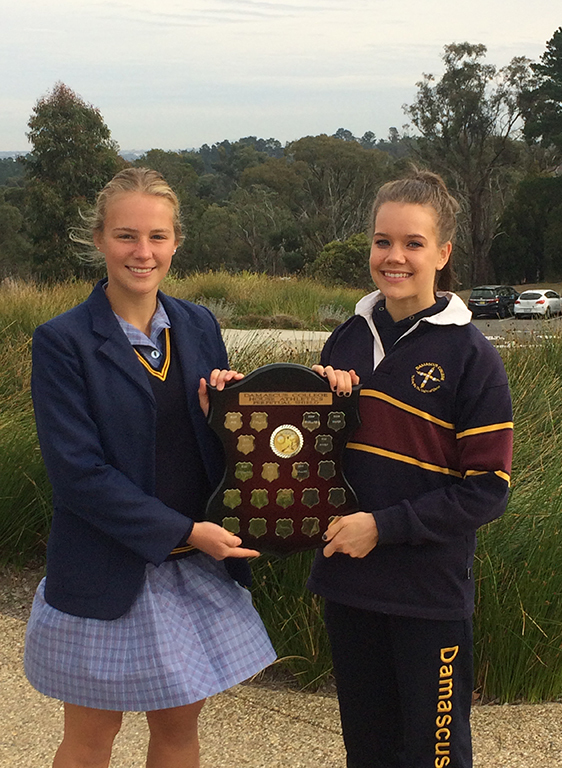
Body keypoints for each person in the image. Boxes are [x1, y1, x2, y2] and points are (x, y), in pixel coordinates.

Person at [24, 167, 276, 768]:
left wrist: (227, 418)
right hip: (104, 572)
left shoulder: (199, 325)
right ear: (99, 239)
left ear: (175, 242)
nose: (143, 252)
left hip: (192, 571)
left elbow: (217, 447)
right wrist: (186, 531)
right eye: (126, 235)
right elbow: (78, 475)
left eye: (157, 236)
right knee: (91, 739)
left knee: (178, 734)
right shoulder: (62, 341)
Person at [308, 169, 513, 768]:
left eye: (413, 243)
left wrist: (382, 526)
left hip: (430, 595)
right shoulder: (345, 340)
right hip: (349, 586)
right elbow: (317, 463)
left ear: (442, 253)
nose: (394, 257)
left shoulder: (473, 357)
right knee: (368, 753)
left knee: (435, 756)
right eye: (383, 241)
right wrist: (291, 405)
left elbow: (488, 491)